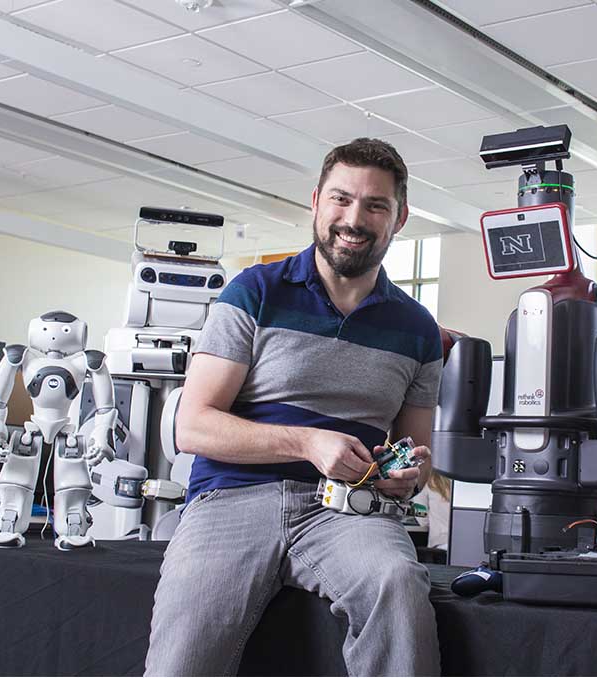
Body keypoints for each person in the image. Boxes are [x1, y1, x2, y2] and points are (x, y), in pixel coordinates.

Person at [144, 138, 444, 677]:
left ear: (399, 219)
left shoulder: (419, 329)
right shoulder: (254, 291)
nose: (355, 218)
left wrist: (410, 474)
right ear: (315, 202)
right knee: (182, 658)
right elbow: (193, 426)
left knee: (397, 587)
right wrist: (306, 441)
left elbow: (414, 451)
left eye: (376, 205)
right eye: (341, 199)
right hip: (231, 500)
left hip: (348, 510)